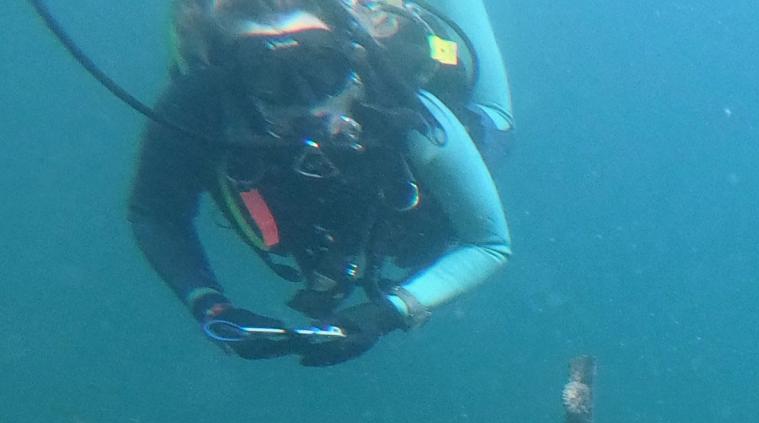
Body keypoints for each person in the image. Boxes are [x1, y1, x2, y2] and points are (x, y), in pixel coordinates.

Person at [128, 0, 514, 367]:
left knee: (495, 124)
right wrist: (212, 306)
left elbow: (489, 241)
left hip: (465, 124)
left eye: (319, 65)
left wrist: (389, 312)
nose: (308, 100)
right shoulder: (197, 109)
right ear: (230, 78)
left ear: (348, 52)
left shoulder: (398, 99)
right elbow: (156, 213)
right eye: (268, 74)